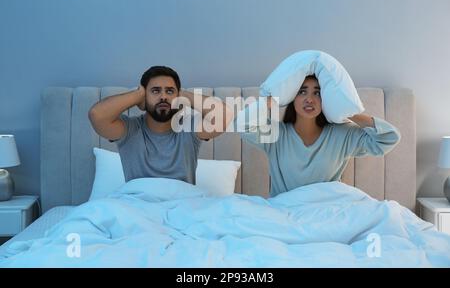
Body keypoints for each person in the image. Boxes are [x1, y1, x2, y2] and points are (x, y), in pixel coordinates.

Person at [239, 74, 401, 197]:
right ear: (291, 97)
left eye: (317, 93)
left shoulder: (342, 133)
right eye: (302, 92)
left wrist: (347, 110)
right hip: (284, 214)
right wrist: (272, 100)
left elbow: (389, 138)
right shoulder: (276, 134)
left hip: (328, 213)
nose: (310, 99)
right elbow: (242, 125)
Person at [89, 66, 233, 184]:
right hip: (136, 205)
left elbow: (225, 116)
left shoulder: (189, 127)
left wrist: (183, 95)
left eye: (170, 91)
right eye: (155, 91)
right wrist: (137, 95)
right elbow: (97, 115)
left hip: (184, 205)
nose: (163, 96)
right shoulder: (129, 130)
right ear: (144, 95)